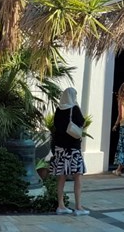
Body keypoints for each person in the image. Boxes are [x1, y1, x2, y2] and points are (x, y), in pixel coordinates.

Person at [51, 87, 90, 216]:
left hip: (60, 148)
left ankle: (60, 205)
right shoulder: (75, 109)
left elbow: (56, 126)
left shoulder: (58, 110)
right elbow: (82, 123)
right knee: (77, 177)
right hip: (73, 149)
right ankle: (78, 207)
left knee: (61, 177)